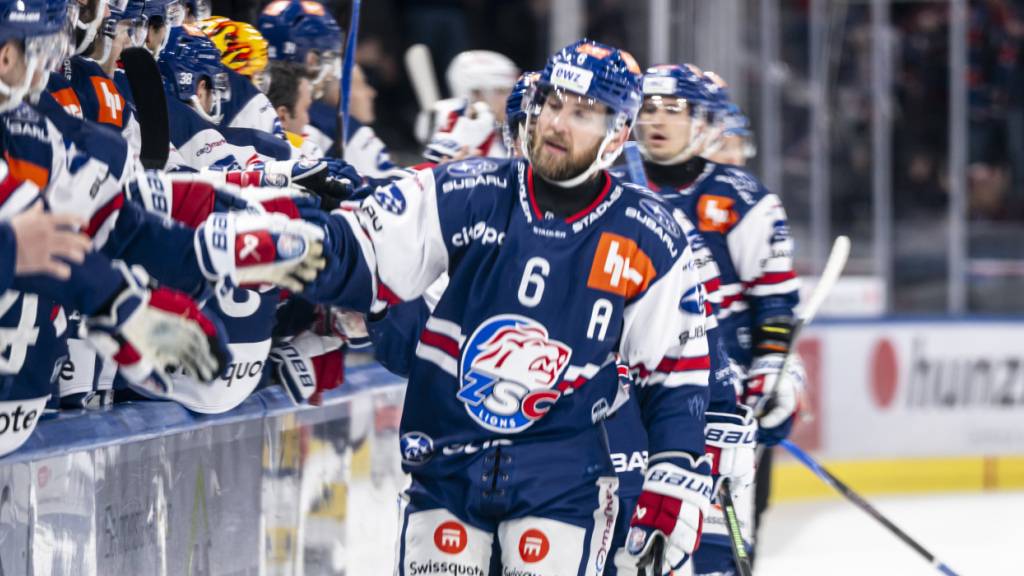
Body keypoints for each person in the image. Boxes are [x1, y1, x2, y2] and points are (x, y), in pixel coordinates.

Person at [306, 39, 713, 575]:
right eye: (551, 103)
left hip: (561, 479)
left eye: (583, 113)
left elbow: (676, 369)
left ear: (617, 134)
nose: (555, 123)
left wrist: (675, 471)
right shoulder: (468, 193)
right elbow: (379, 292)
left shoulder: (648, 233)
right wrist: (309, 246)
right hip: (447, 468)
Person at [628, 63, 805, 573]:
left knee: (711, 552)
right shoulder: (611, 187)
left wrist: (773, 372)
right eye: (648, 108)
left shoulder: (742, 198)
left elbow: (775, 305)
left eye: (673, 109)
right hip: (629, 406)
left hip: (718, 409)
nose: (657, 120)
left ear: (703, 119)